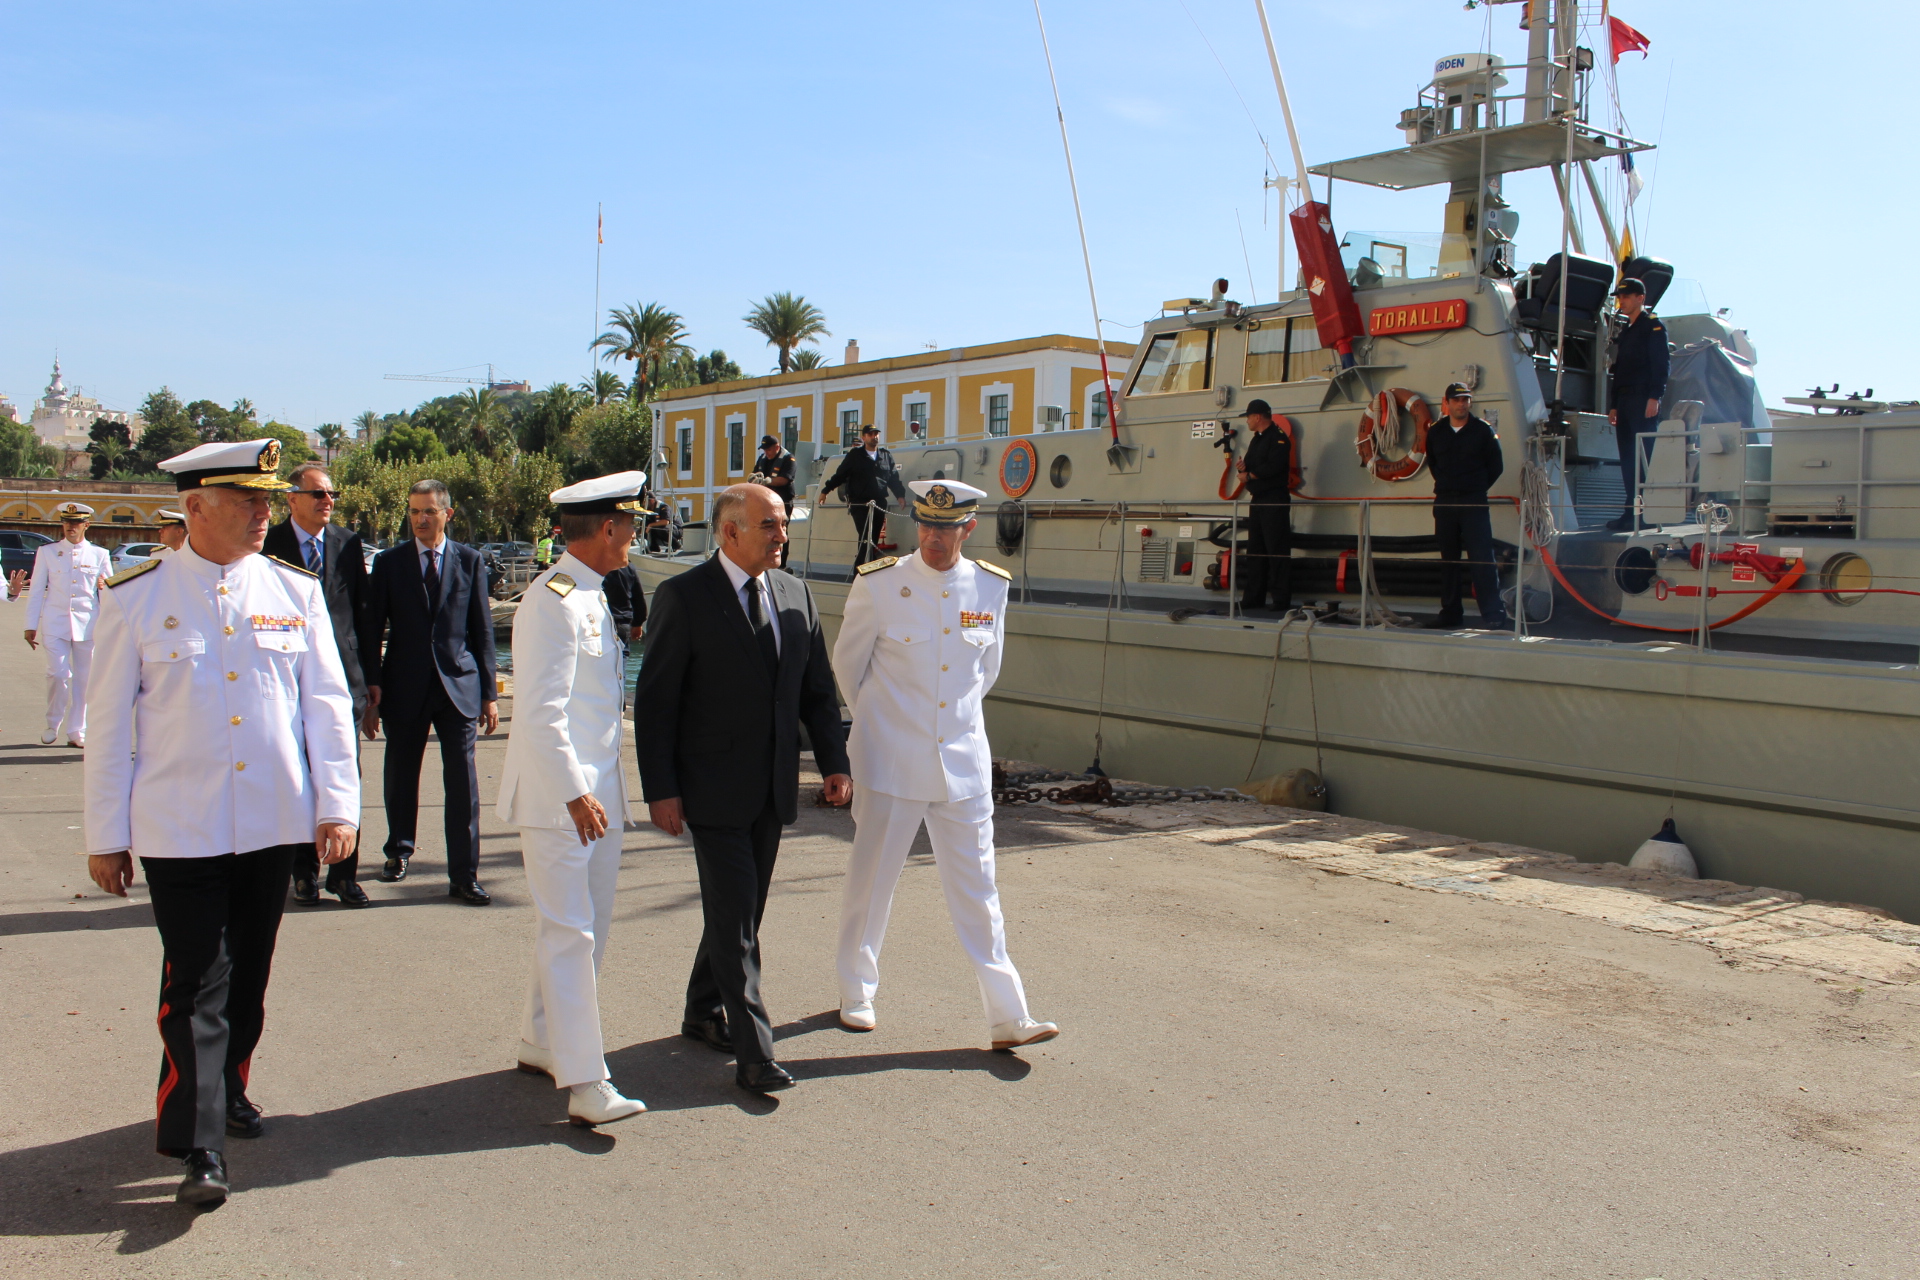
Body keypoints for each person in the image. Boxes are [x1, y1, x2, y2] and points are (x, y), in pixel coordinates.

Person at [82, 438, 359, 1207]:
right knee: (197, 978)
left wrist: (338, 806)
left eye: (267, 500)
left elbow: (326, 706)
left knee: (249, 976)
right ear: (195, 507)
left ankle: (229, 1087)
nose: (264, 513)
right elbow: (108, 729)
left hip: (270, 820)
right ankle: (200, 1146)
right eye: (247, 501)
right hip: (180, 825)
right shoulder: (136, 597)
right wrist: (106, 836)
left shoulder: (293, 591)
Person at [634, 483, 851, 1094]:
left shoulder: (794, 593)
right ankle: (755, 1054)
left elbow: (817, 690)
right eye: (769, 525)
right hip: (711, 788)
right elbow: (656, 703)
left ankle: (701, 1010)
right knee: (737, 924)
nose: (782, 535)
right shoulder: (683, 596)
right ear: (730, 531)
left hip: (772, 786)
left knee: (741, 911)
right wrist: (661, 790)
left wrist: (834, 763)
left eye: (784, 524)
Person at [831, 481, 1060, 1050]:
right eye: (927, 525)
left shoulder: (990, 586)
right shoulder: (879, 583)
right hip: (890, 760)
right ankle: (856, 990)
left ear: (969, 528)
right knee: (872, 883)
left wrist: (946, 727)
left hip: (961, 759)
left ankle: (1008, 1015)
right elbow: (848, 668)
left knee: (980, 891)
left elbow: (986, 672)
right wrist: (885, 727)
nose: (934, 537)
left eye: (946, 527)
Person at [499, 472, 648, 1127]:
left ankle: (542, 1039)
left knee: (585, 932)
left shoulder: (591, 593)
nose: (634, 538)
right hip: (561, 800)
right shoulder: (553, 600)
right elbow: (540, 712)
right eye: (630, 526)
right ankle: (587, 1083)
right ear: (608, 528)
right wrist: (575, 794)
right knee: (571, 934)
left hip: (595, 795)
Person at [358, 480, 499, 903]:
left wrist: (489, 693)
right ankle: (398, 852)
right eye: (414, 511)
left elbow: (482, 630)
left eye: (429, 512)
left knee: (463, 784)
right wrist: (371, 688)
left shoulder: (470, 561)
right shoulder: (389, 562)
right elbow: (372, 630)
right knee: (401, 774)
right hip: (404, 686)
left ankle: (464, 874)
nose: (420, 519)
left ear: (447, 515)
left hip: (458, 685)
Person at [263, 463, 372, 908]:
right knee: (299, 776)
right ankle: (303, 873)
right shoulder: (269, 543)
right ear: (292, 499)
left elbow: (362, 614)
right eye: (318, 494)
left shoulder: (347, 543)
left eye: (331, 495)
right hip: (288, 676)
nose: (328, 501)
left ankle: (344, 876)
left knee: (345, 771)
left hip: (343, 676)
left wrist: (371, 679)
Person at [23, 501, 113, 747]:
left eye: (75, 523)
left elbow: (109, 593)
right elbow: (36, 590)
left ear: (86, 525)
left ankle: (77, 730)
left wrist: (110, 620)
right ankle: (53, 723)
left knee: (85, 680)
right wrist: (30, 624)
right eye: (66, 522)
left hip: (88, 624)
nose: (70, 527)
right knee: (58, 674)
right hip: (56, 623)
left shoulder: (99, 554)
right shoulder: (48, 552)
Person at [1423, 384, 1512, 630]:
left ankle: (1493, 614)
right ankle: (1450, 613)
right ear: (1447, 403)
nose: (1461, 404)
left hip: (1473, 501)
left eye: (1465, 400)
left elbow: (1496, 466)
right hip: (1445, 502)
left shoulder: (1482, 431)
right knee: (1448, 560)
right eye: (1457, 400)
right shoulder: (1436, 432)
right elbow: (1433, 462)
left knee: (1482, 559)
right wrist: (1449, 486)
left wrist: (1475, 487)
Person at [1604, 278, 1670, 532]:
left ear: (1640, 298)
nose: (1621, 301)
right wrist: (1614, 404)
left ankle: (1645, 513)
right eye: (1620, 297)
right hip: (1625, 401)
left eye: (1626, 296)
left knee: (1643, 458)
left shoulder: (1652, 326)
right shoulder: (1627, 331)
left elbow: (1660, 364)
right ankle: (1630, 512)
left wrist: (1655, 396)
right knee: (1628, 459)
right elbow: (1620, 371)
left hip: (1643, 399)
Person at [1233, 399, 1294, 614]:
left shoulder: (1278, 438)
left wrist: (1250, 475)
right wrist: (1244, 468)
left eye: (1249, 417)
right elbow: (1255, 464)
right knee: (1255, 550)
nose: (1247, 421)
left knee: (1276, 550)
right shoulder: (1257, 439)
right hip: (1258, 499)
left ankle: (1281, 599)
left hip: (1274, 499)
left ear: (1258, 417)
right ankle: (1253, 597)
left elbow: (1274, 466)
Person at [820, 423, 906, 567]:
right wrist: (825, 491)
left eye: (876, 434)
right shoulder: (855, 455)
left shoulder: (885, 456)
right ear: (864, 437)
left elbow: (893, 478)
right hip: (859, 502)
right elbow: (840, 475)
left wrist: (900, 496)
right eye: (870, 434)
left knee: (873, 538)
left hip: (878, 502)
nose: (874, 437)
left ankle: (866, 569)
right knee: (866, 536)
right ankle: (860, 570)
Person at [751, 435, 800, 567]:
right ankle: (763, 559)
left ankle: (781, 563)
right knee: (762, 530)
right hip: (764, 502)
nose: (766, 452)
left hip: (782, 502)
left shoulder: (789, 459)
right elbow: (755, 474)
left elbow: (785, 479)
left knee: (780, 531)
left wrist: (768, 481)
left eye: (769, 449)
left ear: (777, 447)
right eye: (764, 450)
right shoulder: (762, 459)